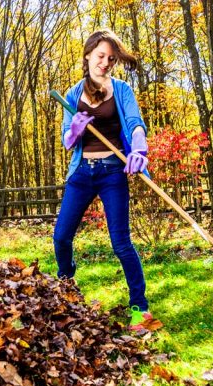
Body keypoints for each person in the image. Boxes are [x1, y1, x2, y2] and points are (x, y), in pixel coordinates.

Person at [54, 29, 152, 331]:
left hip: (112, 173)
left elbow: (135, 123)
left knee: (121, 243)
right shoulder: (72, 94)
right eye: (100, 56)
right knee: (61, 237)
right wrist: (77, 130)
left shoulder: (121, 90)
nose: (105, 63)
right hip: (82, 173)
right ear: (87, 55)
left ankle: (140, 308)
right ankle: (66, 285)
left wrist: (139, 148)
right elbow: (67, 141)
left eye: (111, 58)